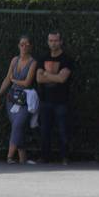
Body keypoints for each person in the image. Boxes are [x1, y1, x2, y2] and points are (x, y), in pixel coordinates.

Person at [0, 35, 37, 164]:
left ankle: (9, 157)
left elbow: (27, 83)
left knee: (17, 124)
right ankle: (23, 159)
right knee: (17, 127)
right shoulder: (14, 60)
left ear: (31, 46)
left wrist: (14, 80)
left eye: (27, 44)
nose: (24, 46)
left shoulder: (33, 63)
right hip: (11, 99)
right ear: (18, 46)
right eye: (22, 44)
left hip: (24, 100)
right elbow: (7, 79)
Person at [36, 31, 74, 165]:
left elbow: (63, 78)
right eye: (51, 40)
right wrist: (54, 77)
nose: (53, 43)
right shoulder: (42, 57)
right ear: (47, 42)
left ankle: (65, 157)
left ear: (61, 42)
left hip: (62, 101)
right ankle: (45, 157)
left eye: (56, 40)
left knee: (63, 130)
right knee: (44, 130)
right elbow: (39, 78)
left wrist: (47, 74)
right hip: (45, 100)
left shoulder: (66, 59)